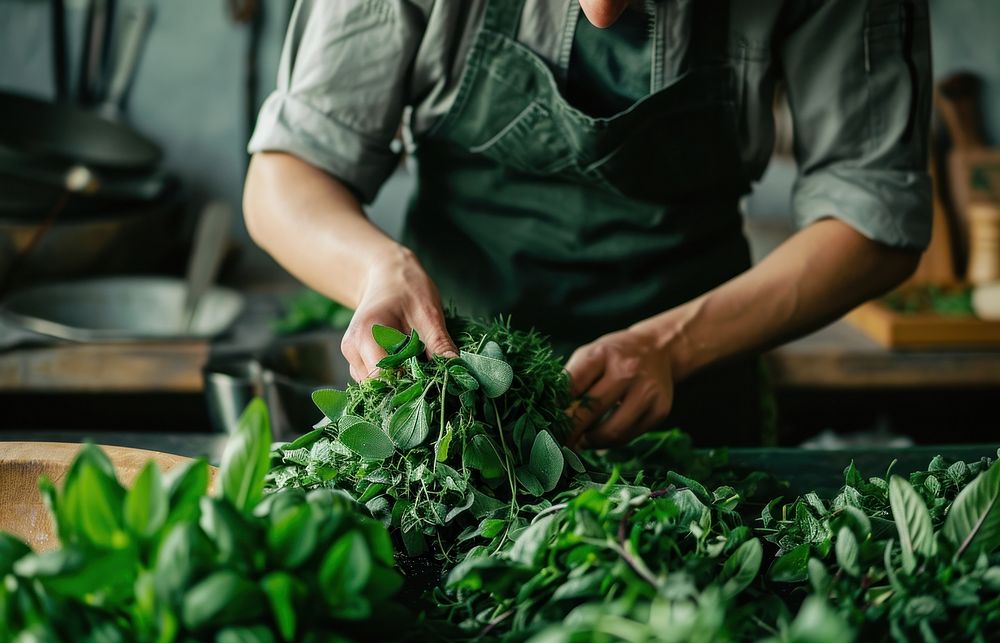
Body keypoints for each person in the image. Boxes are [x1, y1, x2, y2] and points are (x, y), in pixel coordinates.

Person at [243, 0, 932, 449]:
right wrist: (376, 269)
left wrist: (671, 344)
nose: (602, 12)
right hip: (448, 418)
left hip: (693, 404)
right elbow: (285, 175)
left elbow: (873, 213)